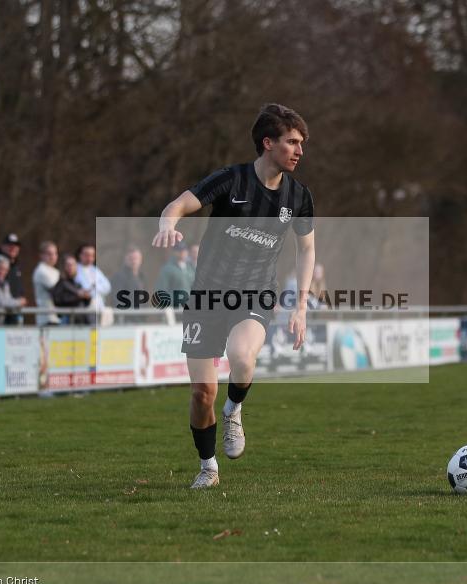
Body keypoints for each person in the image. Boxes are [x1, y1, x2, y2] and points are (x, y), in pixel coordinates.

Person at [152, 103, 315, 489]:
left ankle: (234, 409)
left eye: (302, 143)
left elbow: (306, 249)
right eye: (292, 142)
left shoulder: (299, 196)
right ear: (267, 142)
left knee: (243, 356)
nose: (299, 150)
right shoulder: (232, 180)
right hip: (207, 297)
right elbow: (178, 204)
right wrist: (167, 225)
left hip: (255, 294)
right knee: (201, 393)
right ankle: (208, 468)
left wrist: (302, 306)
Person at [0, 255, 27, 325]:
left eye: (5, 270)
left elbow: (8, 300)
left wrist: (15, 303)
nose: (2, 272)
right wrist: (19, 302)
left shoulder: (5, 284)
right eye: (0, 268)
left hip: (0, 324)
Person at [74, 243, 112, 320]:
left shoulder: (96, 270)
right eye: (87, 255)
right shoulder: (75, 270)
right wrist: (94, 288)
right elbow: (84, 289)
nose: (90, 258)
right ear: (80, 255)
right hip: (85, 311)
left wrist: (95, 286)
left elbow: (107, 287)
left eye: (92, 255)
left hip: (99, 309)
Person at [0, 233, 27, 308]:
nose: (13, 248)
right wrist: (18, 302)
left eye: (16, 245)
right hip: (1, 311)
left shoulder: (16, 265)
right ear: (2, 246)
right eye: (9, 245)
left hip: (14, 308)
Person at [53, 254, 92, 324]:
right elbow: (59, 301)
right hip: (68, 320)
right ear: (63, 267)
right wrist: (78, 296)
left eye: (73, 265)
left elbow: (86, 303)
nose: (71, 267)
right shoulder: (60, 284)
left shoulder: (77, 284)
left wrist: (87, 297)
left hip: (82, 320)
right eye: (68, 265)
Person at [32, 241, 60, 326]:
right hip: (47, 318)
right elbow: (58, 290)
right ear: (41, 255)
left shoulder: (56, 271)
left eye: (55, 253)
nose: (53, 257)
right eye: (49, 254)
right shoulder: (41, 271)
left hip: (57, 317)